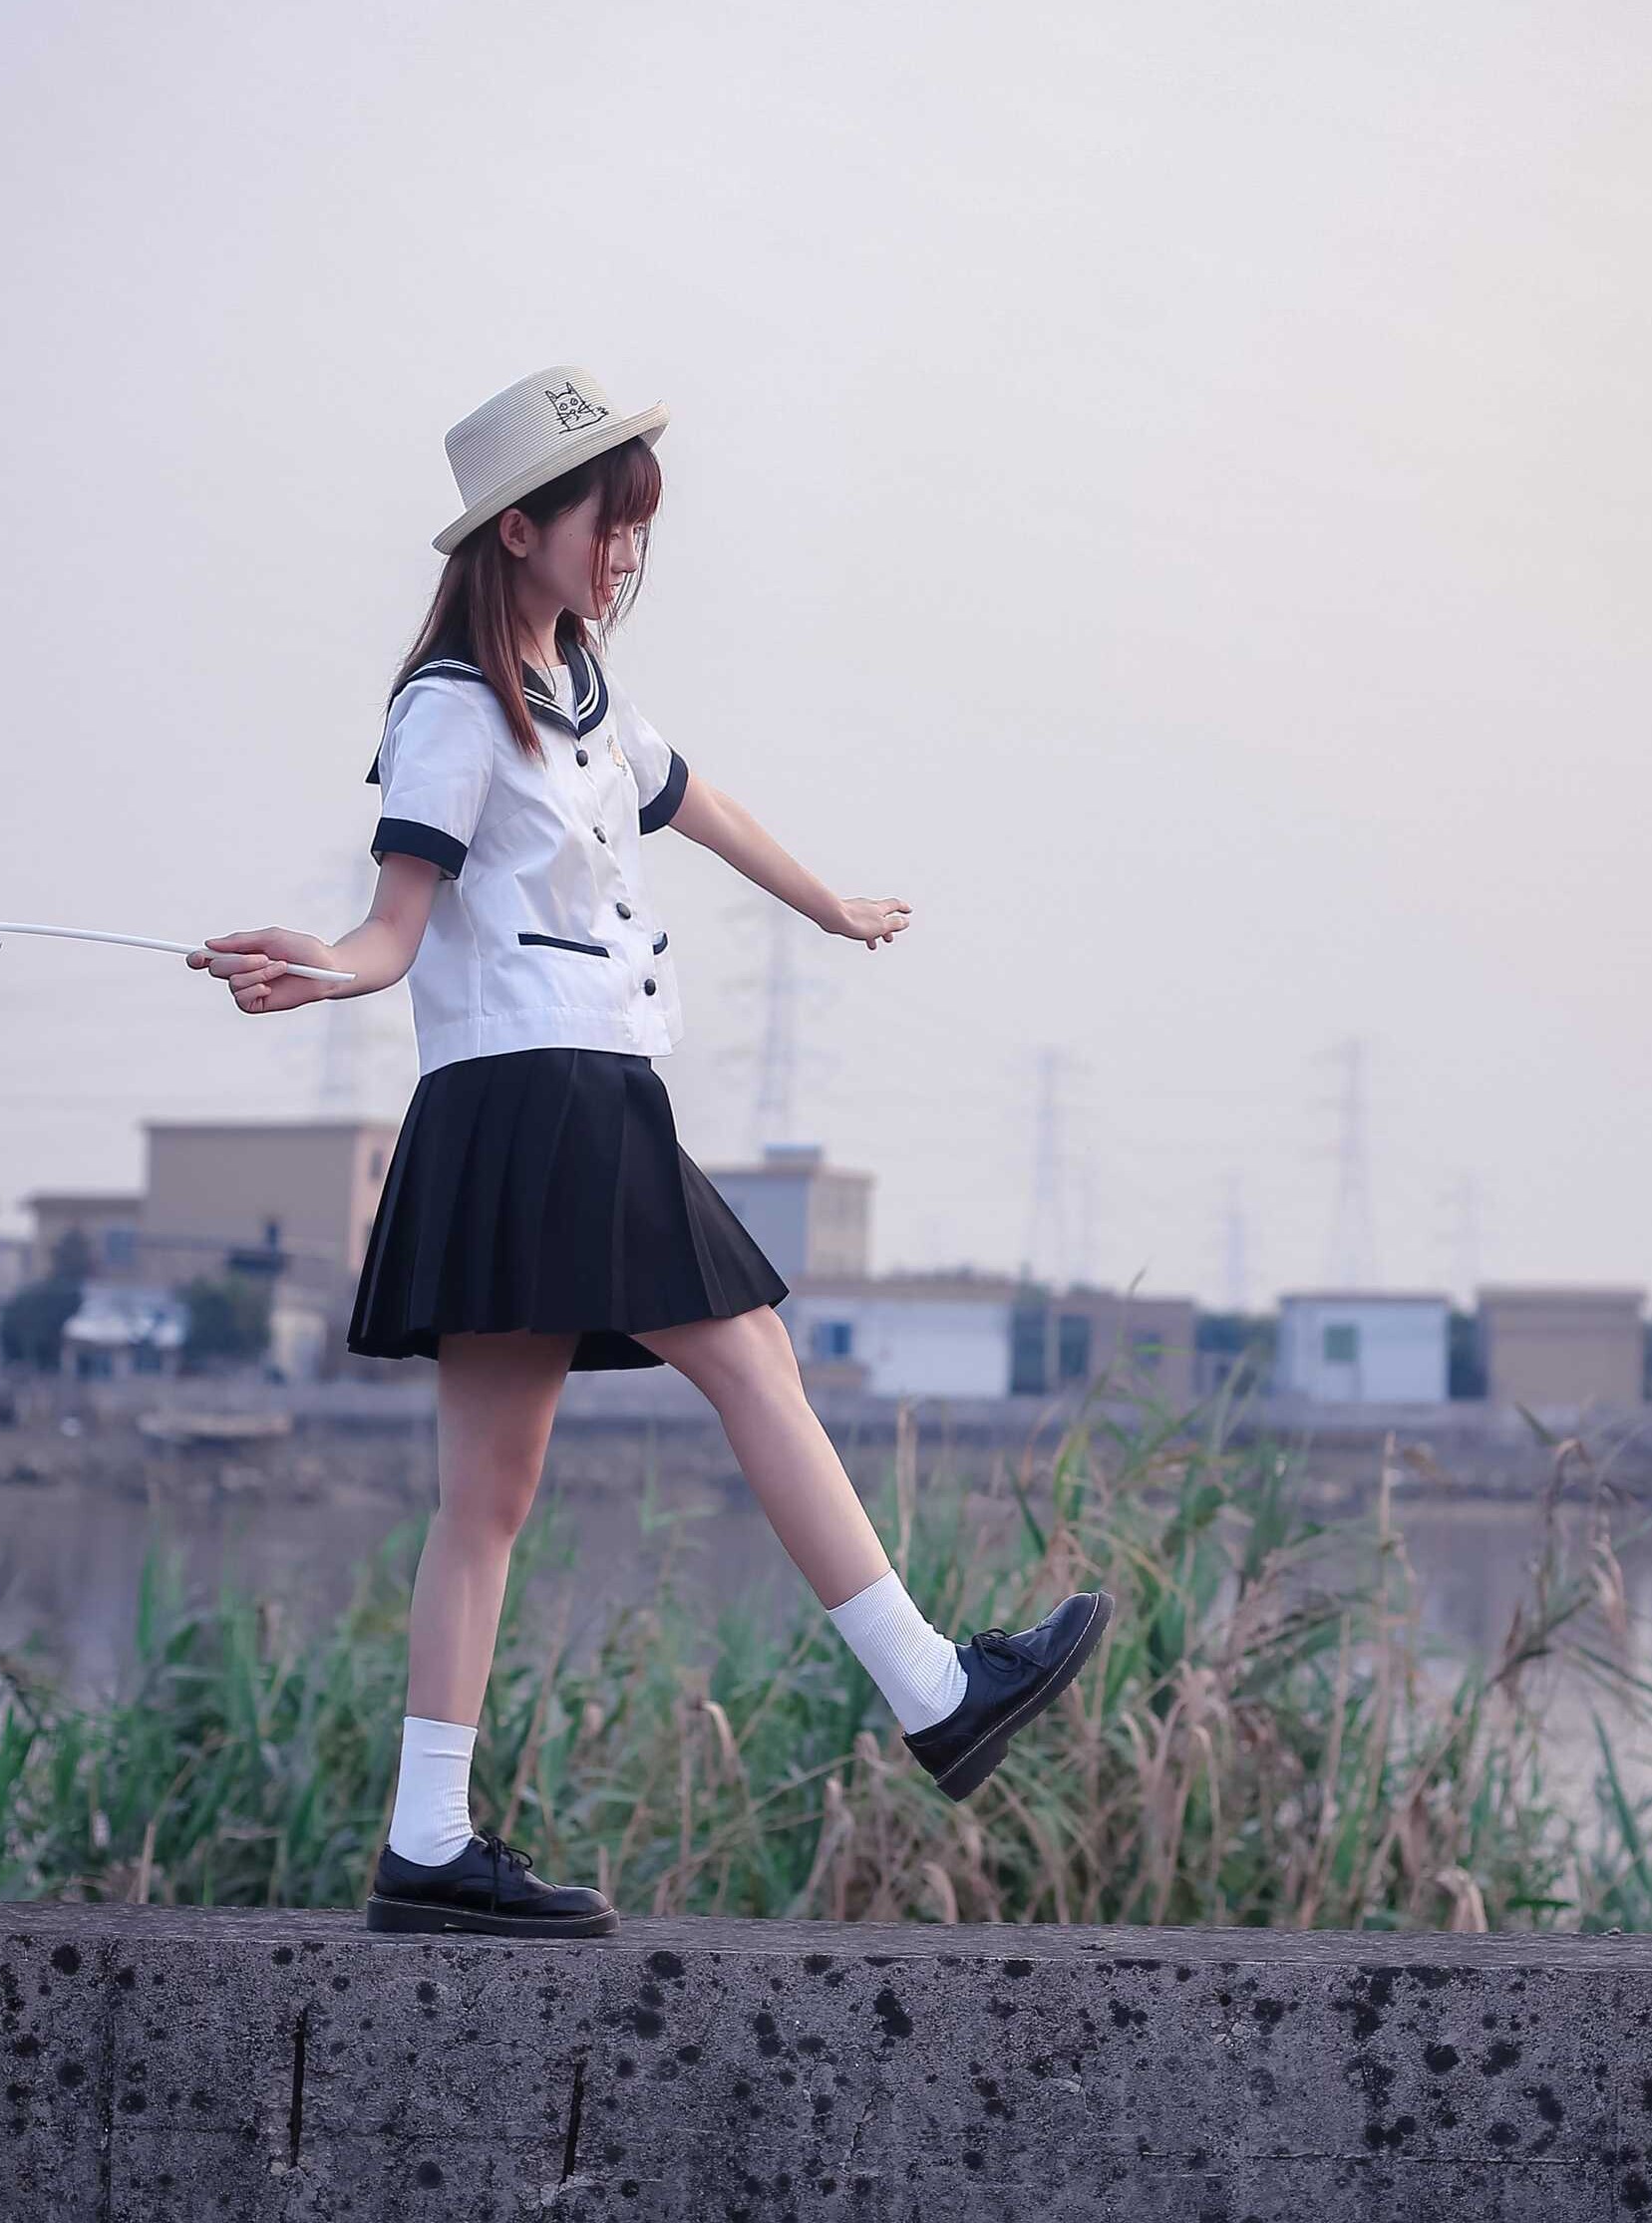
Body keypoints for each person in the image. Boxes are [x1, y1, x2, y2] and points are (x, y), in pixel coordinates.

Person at [194, 365, 1109, 1939]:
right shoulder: (452, 708)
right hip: (539, 1091)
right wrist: (320, 971)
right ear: (519, 529)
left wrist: (829, 905)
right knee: (750, 1357)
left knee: (491, 1487)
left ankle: (428, 1839)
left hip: (569, 1093)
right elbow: (394, 926)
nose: (623, 550)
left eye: (634, 527)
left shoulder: (585, 693)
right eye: (605, 523)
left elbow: (706, 801)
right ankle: (936, 1690)